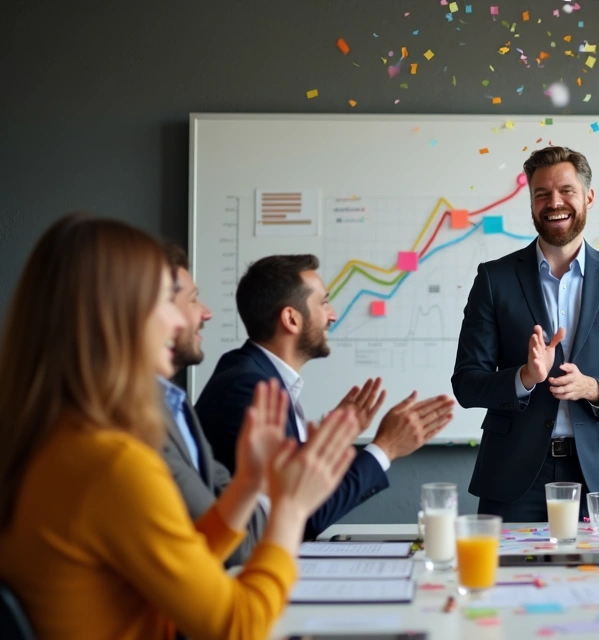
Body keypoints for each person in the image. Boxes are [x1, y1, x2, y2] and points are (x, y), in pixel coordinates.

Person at [0, 213, 360, 639]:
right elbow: (238, 626)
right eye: (165, 302)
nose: (178, 323)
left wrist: (247, 484)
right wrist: (291, 508)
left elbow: (180, 558)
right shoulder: (113, 465)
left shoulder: (61, 440)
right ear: (114, 317)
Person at [452, 146, 599, 522]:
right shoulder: (493, 279)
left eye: (566, 190)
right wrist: (525, 378)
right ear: (532, 204)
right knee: (508, 582)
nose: (555, 202)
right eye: (541, 194)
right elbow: (467, 384)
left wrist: (594, 389)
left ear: (588, 197)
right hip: (512, 479)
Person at [196, 254, 456, 539]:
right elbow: (301, 517)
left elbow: (293, 492)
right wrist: (386, 447)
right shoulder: (250, 388)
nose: (332, 314)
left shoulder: (252, 372)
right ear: (291, 319)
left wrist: (333, 438)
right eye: (323, 303)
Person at [158, 242, 265, 567]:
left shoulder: (175, 403)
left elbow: (244, 529)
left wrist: (251, 483)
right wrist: (289, 502)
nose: (206, 312)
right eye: (191, 299)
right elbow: (229, 547)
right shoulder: (128, 433)